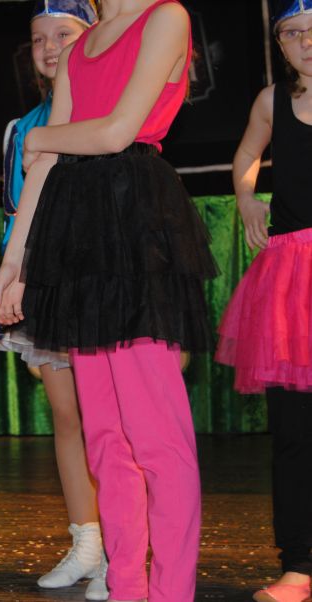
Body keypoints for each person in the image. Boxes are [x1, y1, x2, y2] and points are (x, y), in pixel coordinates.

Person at [0, 0, 217, 600]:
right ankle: (127, 584)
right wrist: (15, 263)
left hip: (135, 225)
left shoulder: (164, 17)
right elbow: (45, 167)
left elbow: (117, 131)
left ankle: (171, 591)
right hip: (77, 238)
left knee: (156, 435)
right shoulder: (79, 48)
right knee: (106, 438)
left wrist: (40, 135)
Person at [0, 2, 107, 599]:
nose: (51, 46)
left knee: (110, 418)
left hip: (99, 278)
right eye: (39, 39)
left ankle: (124, 544)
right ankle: (87, 541)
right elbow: (18, 211)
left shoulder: (114, 111)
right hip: (43, 282)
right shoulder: (21, 128)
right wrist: (15, 277)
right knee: (68, 417)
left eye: (64, 33)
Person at [215, 2, 312, 601]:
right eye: (293, 33)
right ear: (280, 43)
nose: (307, 42)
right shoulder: (271, 102)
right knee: (295, 432)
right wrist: (248, 196)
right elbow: (247, 156)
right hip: (291, 285)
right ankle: (299, 563)